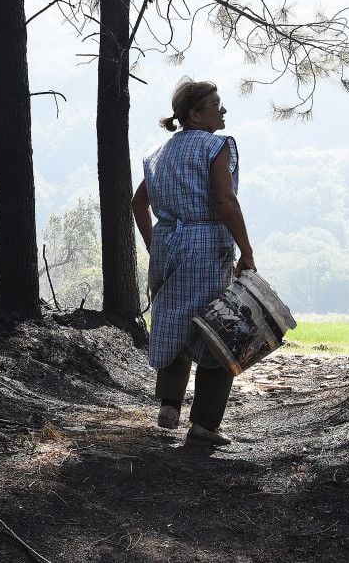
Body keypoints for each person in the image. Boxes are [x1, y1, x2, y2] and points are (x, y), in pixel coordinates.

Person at [131, 79, 256, 446]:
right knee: (215, 330)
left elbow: (139, 204)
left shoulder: (159, 154)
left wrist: (155, 244)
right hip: (205, 245)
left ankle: (169, 405)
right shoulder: (216, 146)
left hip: (168, 245)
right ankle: (204, 424)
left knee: (172, 319)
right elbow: (225, 202)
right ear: (195, 114)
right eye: (216, 104)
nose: (223, 110)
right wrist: (246, 251)